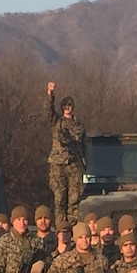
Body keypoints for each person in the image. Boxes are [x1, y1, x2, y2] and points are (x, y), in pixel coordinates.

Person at [45, 82, 86, 225]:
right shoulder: (57, 121)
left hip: (74, 165)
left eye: (69, 105)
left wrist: (84, 164)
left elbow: (83, 146)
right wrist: (50, 93)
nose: (67, 108)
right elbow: (48, 110)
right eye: (65, 105)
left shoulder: (79, 125)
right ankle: (61, 229)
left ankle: (73, 228)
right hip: (58, 164)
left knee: (74, 199)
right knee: (59, 198)